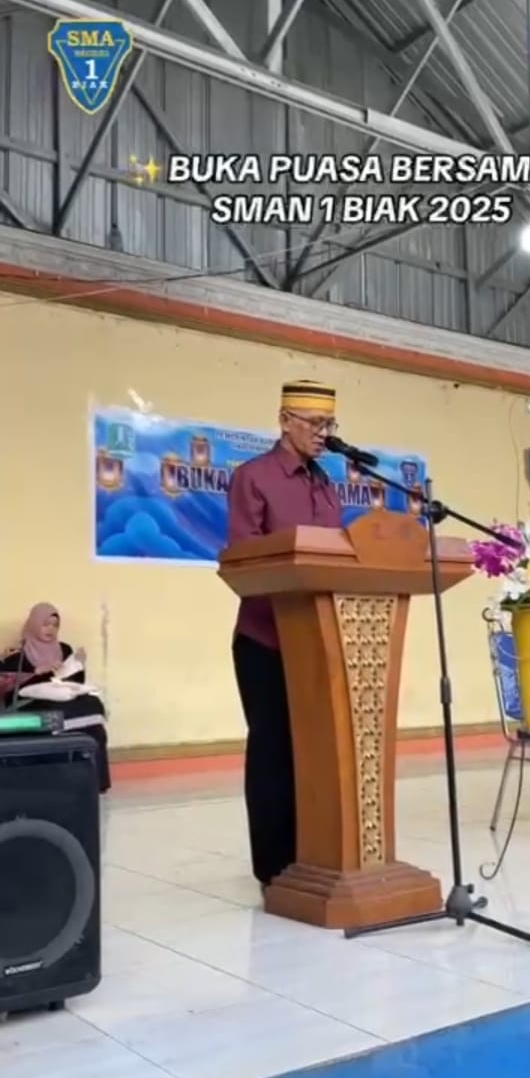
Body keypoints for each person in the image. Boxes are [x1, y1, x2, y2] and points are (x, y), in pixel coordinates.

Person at [227, 380, 343, 887]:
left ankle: (312, 853)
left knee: (314, 751)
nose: (323, 433)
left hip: (320, 640)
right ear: (284, 420)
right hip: (267, 640)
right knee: (273, 750)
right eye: (315, 423)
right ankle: (272, 866)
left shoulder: (325, 483)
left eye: (329, 424)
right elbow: (244, 557)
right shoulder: (253, 477)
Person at [0, 603, 111, 794]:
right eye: (45, 624)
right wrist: (37, 672)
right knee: (56, 712)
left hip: (61, 699)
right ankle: (57, 779)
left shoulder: (64, 649)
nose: (50, 629)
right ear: (34, 624)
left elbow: (75, 682)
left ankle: (95, 783)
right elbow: (8, 689)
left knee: (92, 708)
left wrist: (77, 665)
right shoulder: (17, 656)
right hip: (32, 704)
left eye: (55, 625)